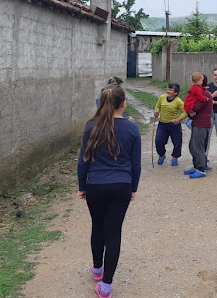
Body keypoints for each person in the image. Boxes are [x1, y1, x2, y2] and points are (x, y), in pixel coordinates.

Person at [77, 85, 141, 298]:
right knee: (113, 233)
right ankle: (106, 286)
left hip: (95, 185)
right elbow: (136, 165)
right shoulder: (132, 129)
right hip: (121, 186)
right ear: (123, 104)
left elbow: (83, 161)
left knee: (97, 226)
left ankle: (97, 269)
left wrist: (82, 186)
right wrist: (133, 188)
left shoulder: (90, 127)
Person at [183, 78, 213, 179]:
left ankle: (200, 169)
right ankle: (196, 166)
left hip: (201, 123)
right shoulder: (200, 92)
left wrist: (189, 110)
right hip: (197, 123)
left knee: (198, 147)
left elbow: (195, 107)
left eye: (195, 81)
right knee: (193, 146)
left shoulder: (204, 94)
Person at [153, 83, 186, 166]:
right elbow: (157, 106)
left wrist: (179, 119)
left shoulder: (178, 101)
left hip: (174, 125)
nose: (168, 91)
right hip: (162, 124)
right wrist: (156, 112)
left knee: (177, 142)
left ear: (176, 93)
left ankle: (175, 157)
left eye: (171, 90)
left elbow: (185, 112)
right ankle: (162, 155)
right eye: (168, 89)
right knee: (158, 141)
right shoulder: (162, 97)